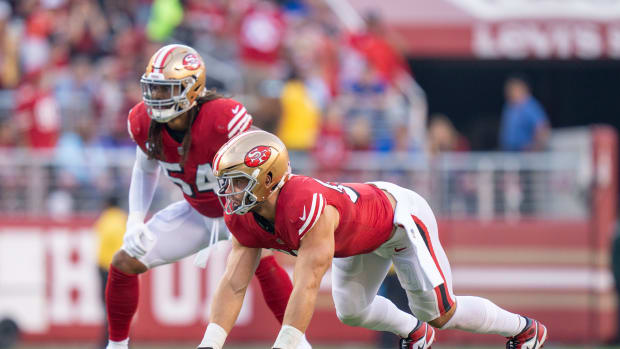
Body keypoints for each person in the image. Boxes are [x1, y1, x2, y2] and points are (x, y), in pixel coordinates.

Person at [202, 130, 548, 349]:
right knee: (352, 311)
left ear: (269, 177)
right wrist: (210, 343)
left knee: (440, 313)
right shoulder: (243, 216)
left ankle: (525, 330)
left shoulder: (304, 204)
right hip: (359, 237)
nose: (228, 192)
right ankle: (414, 334)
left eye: (236, 181)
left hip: (398, 219)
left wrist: (286, 343)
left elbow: (306, 284)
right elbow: (233, 283)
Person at [105, 44, 309, 349]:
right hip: (197, 211)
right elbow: (144, 169)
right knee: (124, 261)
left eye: (166, 89)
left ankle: (299, 343)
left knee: (262, 261)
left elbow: (263, 154)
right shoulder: (143, 122)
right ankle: (116, 346)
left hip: (240, 209)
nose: (156, 98)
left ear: (192, 88)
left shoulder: (221, 117)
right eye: (154, 89)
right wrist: (135, 220)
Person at [94, 196, 126, 349]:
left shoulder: (104, 219)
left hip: (105, 269)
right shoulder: (123, 219)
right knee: (121, 309)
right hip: (123, 269)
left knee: (108, 310)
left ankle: (107, 343)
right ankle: (123, 342)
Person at [499, 75, 550, 152]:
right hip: (509, 152)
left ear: (522, 89)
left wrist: (535, 148)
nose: (509, 93)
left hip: (524, 153)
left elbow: (542, 128)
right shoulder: (509, 106)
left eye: (513, 89)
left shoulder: (530, 106)